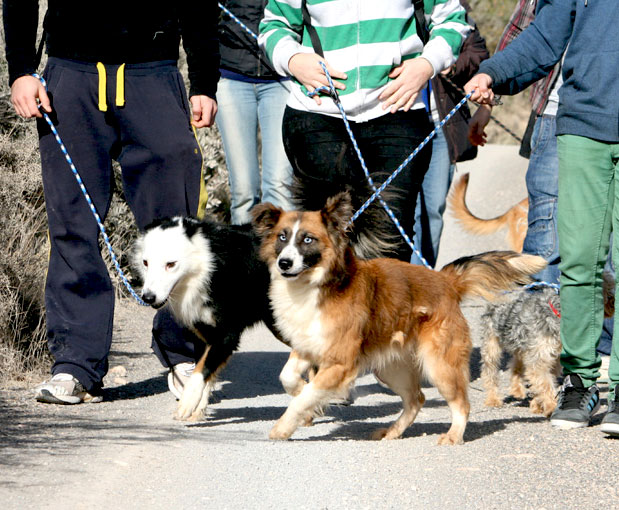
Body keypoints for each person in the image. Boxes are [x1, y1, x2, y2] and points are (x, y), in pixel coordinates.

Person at [3, 1, 220, 404]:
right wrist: (21, 70)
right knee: (72, 226)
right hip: (72, 76)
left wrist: (204, 81)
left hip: (153, 74)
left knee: (174, 225)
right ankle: (75, 365)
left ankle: (184, 353)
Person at [464, 0, 619, 435]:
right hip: (584, 123)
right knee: (578, 259)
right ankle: (579, 381)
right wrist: (493, 73)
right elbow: (546, 33)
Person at [258, 0, 471, 262]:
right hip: (316, 114)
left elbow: (452, 19)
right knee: (321, 240)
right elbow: (274, 25)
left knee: (391, 238)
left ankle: (386, 291)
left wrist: (427, 64)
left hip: (397, 110)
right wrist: (293, 60)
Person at [411, 14, 489, 267]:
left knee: (433, 210)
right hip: (400, 123)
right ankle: (403, 281)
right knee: (408, 210)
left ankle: (423, 279)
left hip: (440, 124)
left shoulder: (454, 9)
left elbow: (479, 54)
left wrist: (450, 66)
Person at [217, 0, 294, 225]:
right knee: (243, 191)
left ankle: (278, 246)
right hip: (232, 76)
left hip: (282, 79)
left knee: (280, 187)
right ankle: (244, 246)